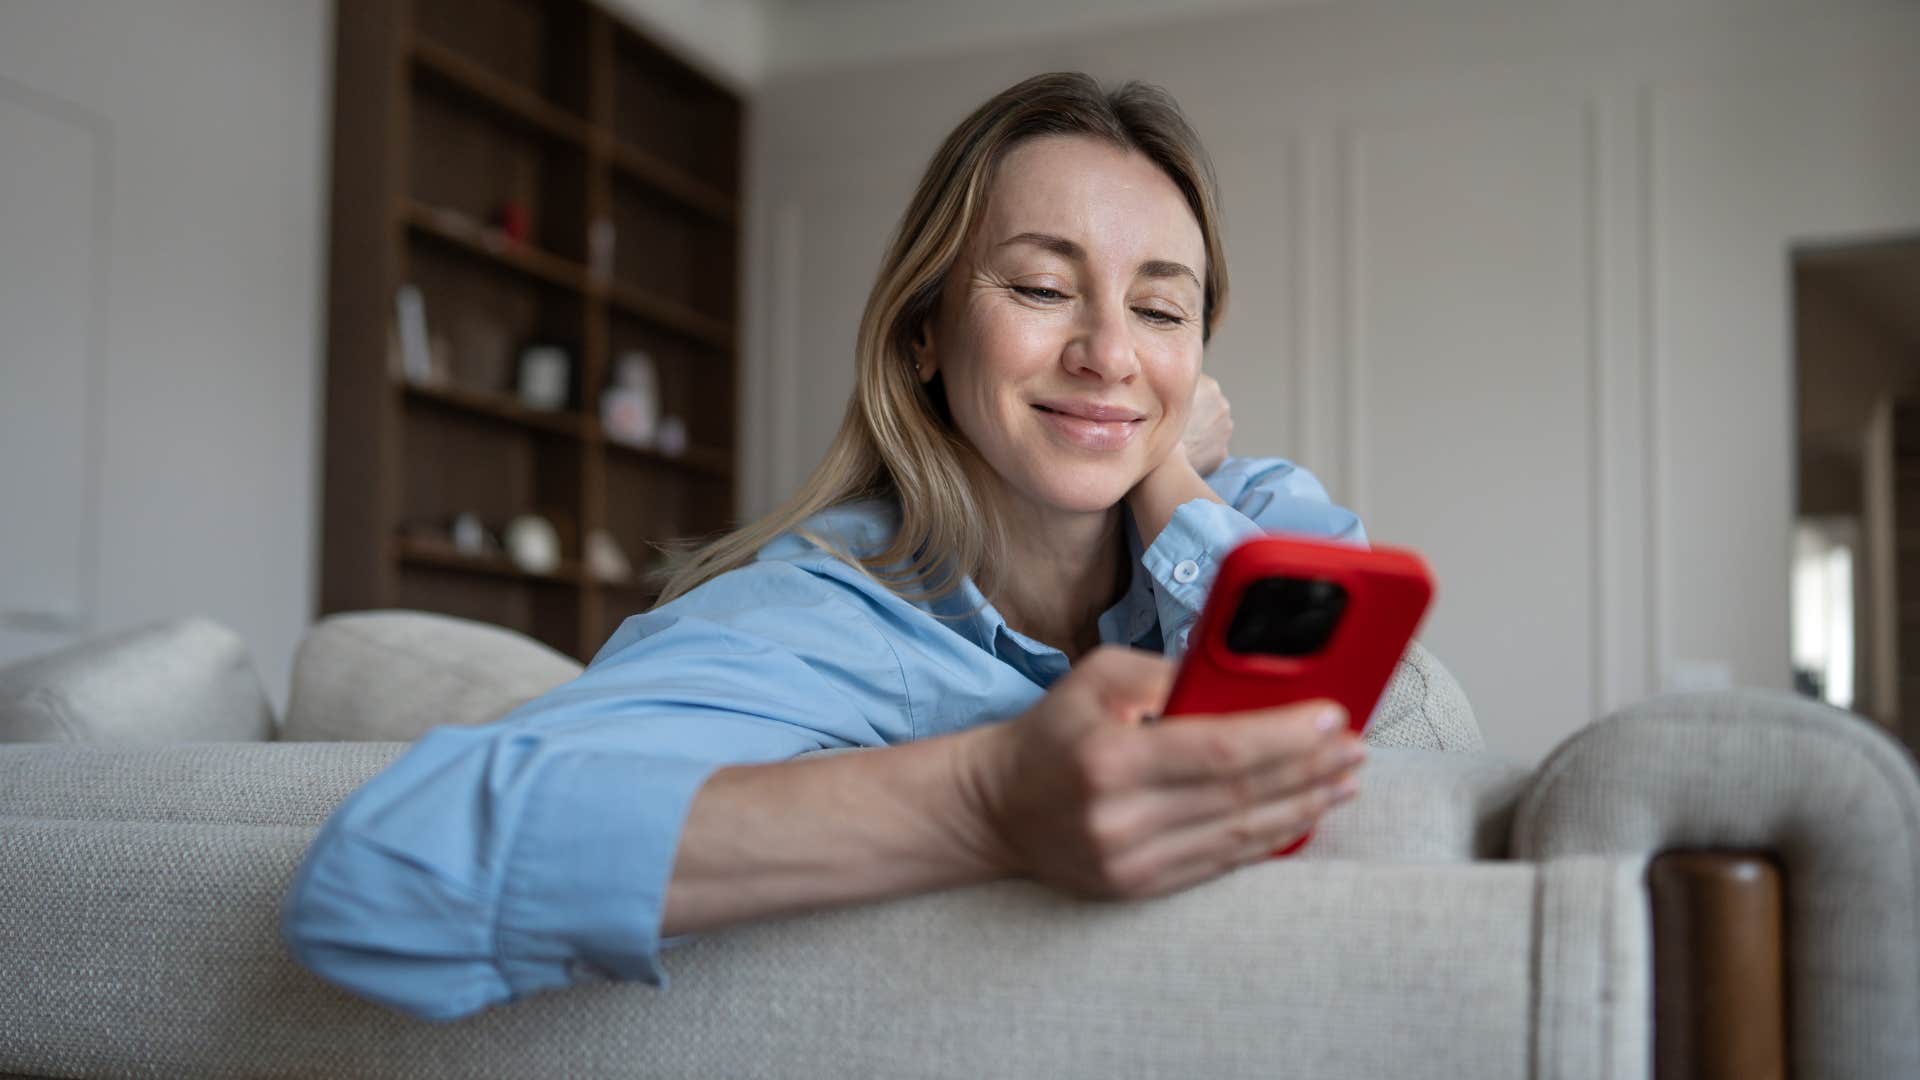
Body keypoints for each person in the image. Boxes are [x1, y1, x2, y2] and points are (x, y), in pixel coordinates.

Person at [282, 72, 1370, 1022]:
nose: (1107, 353)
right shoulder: (822, 608)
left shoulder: (1259, 508)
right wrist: (987, 799)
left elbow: (1359, 715)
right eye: (1042, 288)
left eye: (1162, 312)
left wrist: (1170, 469)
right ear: (924, 334)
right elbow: (386, 877)